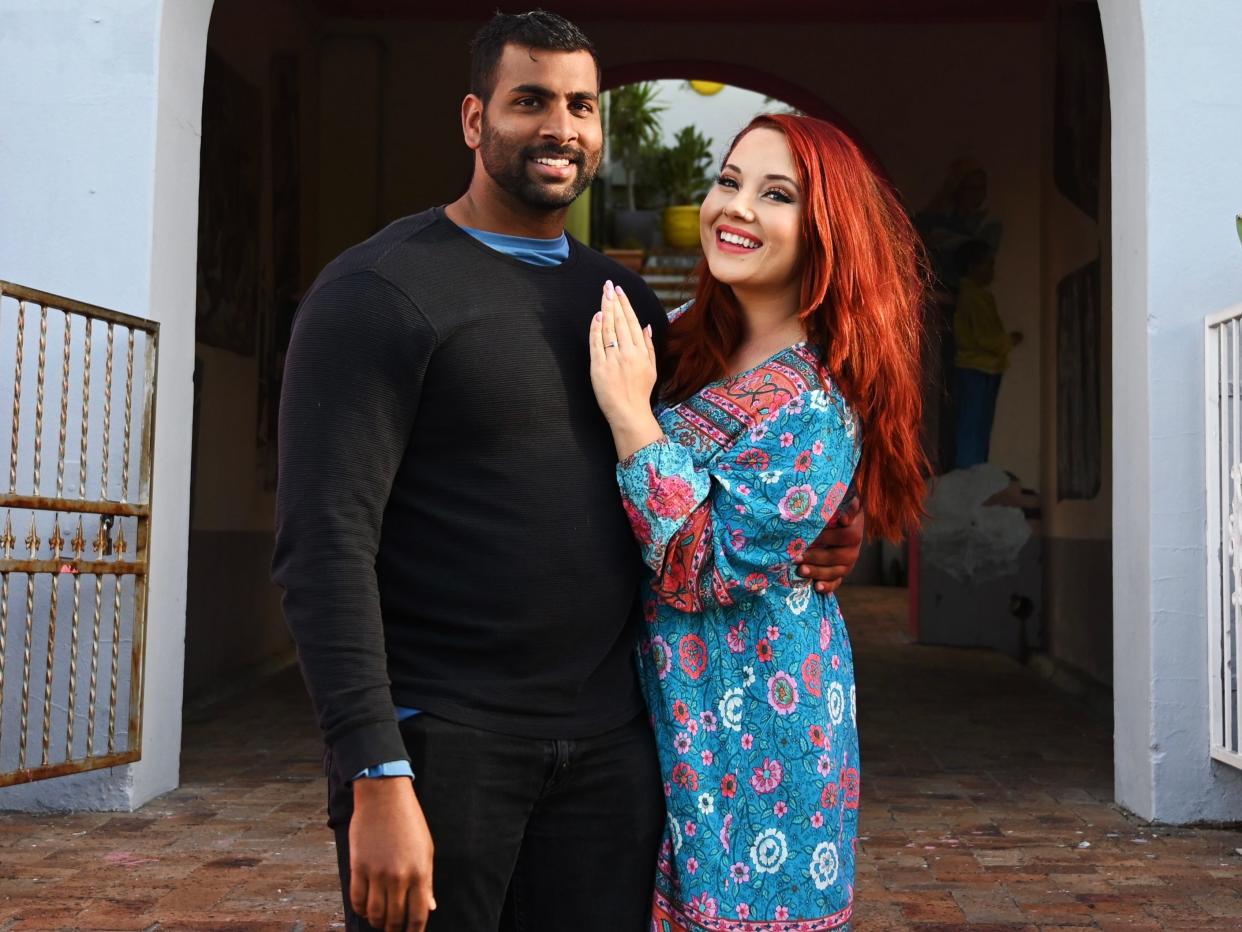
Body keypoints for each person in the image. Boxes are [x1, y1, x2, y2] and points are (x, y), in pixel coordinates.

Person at [272, 12, 864, 932]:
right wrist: (374, 771)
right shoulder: (379, 293)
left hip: (614, 749)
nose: (560, 127)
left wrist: (826, 519)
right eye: (530, 101)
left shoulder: (621, 300)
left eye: (581, 105)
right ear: (475, 120)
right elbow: (323, 547)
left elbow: (694, 470)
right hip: (448, 741)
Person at [588, 114, 926, 929]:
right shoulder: (682, 343)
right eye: (729, 181)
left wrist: (632, 419)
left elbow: (698, 568)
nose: (735, 208)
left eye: (777, 194)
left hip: (757, 735)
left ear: (827, 230)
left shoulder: (816, 403)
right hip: (664, 711)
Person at [915, 158, 1002, 472]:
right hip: (938, 317)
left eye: (981, 188)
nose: (975, 194)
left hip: (963, 322)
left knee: (967, 404)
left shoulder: (987, 225)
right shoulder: (940, 219)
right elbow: (921, 229)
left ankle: (962, 469)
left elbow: (976, 250)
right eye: (968, 187)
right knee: (935, 389)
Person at [952, 239, 1021, 468]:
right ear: (974, 266)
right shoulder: (973, 296)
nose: (992, 271)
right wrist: (1008, 341)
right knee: (973, 428)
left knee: (976, 427)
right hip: (976, 368)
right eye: (988, 264)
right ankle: (970, 475)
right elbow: (984, 337)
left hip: (982, 368)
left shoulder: (976, 295)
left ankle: (975, 473)